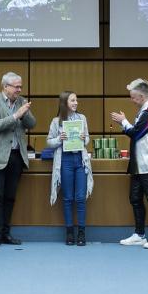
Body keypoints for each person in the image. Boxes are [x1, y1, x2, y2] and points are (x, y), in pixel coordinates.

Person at [111, 78, 148, 249]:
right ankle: (140, 234)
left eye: (133, 97)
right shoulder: (144, 111)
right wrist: (126, 122)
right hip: (138, 165)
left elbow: (136, 133)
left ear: (142, 96)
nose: (131, 100)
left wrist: (123, 121)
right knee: (135, 199)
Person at [0, 72, 36, 248]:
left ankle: (6, 233)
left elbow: (32, 124)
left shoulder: (21, 101)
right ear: (5, 86)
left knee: (10, 197)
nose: (19, 90)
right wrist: (16, 115)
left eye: (20, 86)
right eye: (16, 87)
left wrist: (24, 113)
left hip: (16, 156)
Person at [47, 91, 94, 246]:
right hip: (65, 160)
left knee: (80, 198)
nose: (76, 103)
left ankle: (81, 232)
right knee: (67, 198)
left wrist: (83, 139)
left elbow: (87, 138)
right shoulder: (56, 121)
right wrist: (59, 139)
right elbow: (49, 142)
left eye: (76, 100)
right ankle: (69, 233)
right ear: (64, 103)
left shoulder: (82, 118)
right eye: (73, 100)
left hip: (80, 160)